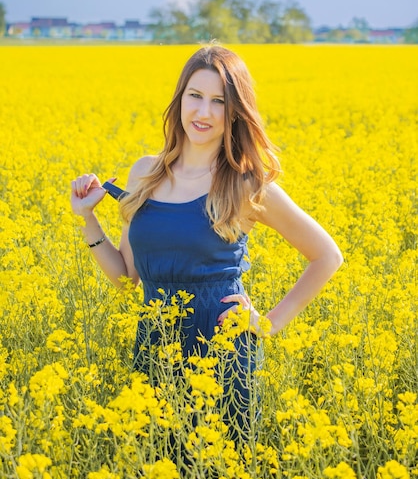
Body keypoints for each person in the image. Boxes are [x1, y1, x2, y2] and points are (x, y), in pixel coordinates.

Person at [71, 44, 343, 438]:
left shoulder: (244, 182)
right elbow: (127, 279)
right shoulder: (145, 174)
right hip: (155, 352)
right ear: (179, 99)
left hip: (224, 355)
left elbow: (326, 256)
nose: (203, 112)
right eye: (195, 96)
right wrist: (88, 219)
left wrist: (266, 325)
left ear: (234, 112)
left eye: (219, 101)